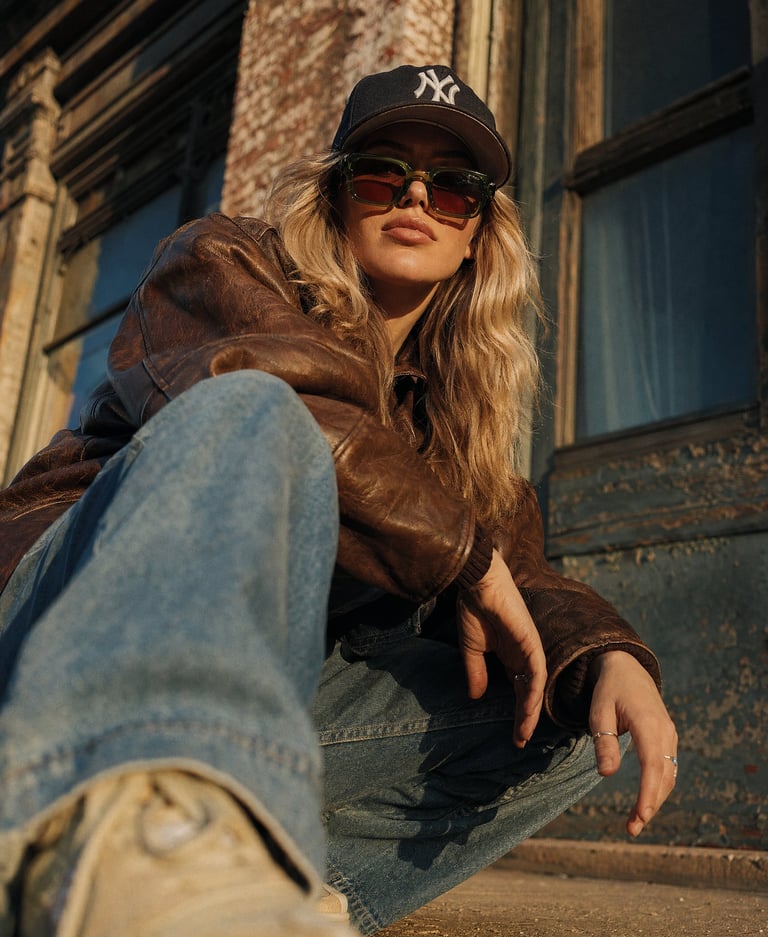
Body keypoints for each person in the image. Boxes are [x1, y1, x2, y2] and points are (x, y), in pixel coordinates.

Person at [0, 64, 677, 936]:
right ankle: (137, 828)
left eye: (453, 189)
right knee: (258, 411)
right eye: (383, 172)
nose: (417, 196)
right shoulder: (222, 260)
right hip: (57, 635)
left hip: (261, 702)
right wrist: (463, 555)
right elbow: (286, 399)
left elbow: (523, 577)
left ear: (478, 234)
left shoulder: (457, 432)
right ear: (335, 197)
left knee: (567, 719)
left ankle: (243, 888)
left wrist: (607, 652)